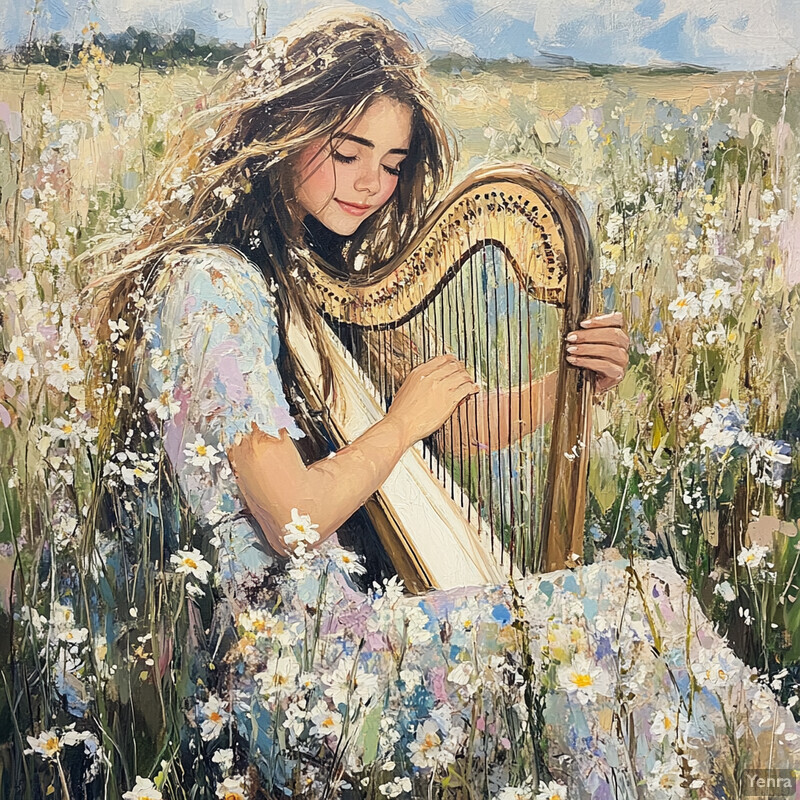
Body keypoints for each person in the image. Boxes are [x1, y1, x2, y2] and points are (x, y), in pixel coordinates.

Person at [83, 8, 800, 800]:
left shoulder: (308, 282)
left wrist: (572, 388)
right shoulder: (212, 286)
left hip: (348, 634)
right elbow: (292, 515)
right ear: (282, 130)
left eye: (390, 164)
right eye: (347, 151)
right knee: (639, 612)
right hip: (304, 676)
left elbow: (452, 431)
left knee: (638, 622)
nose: (370, 184)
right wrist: (399, 423)